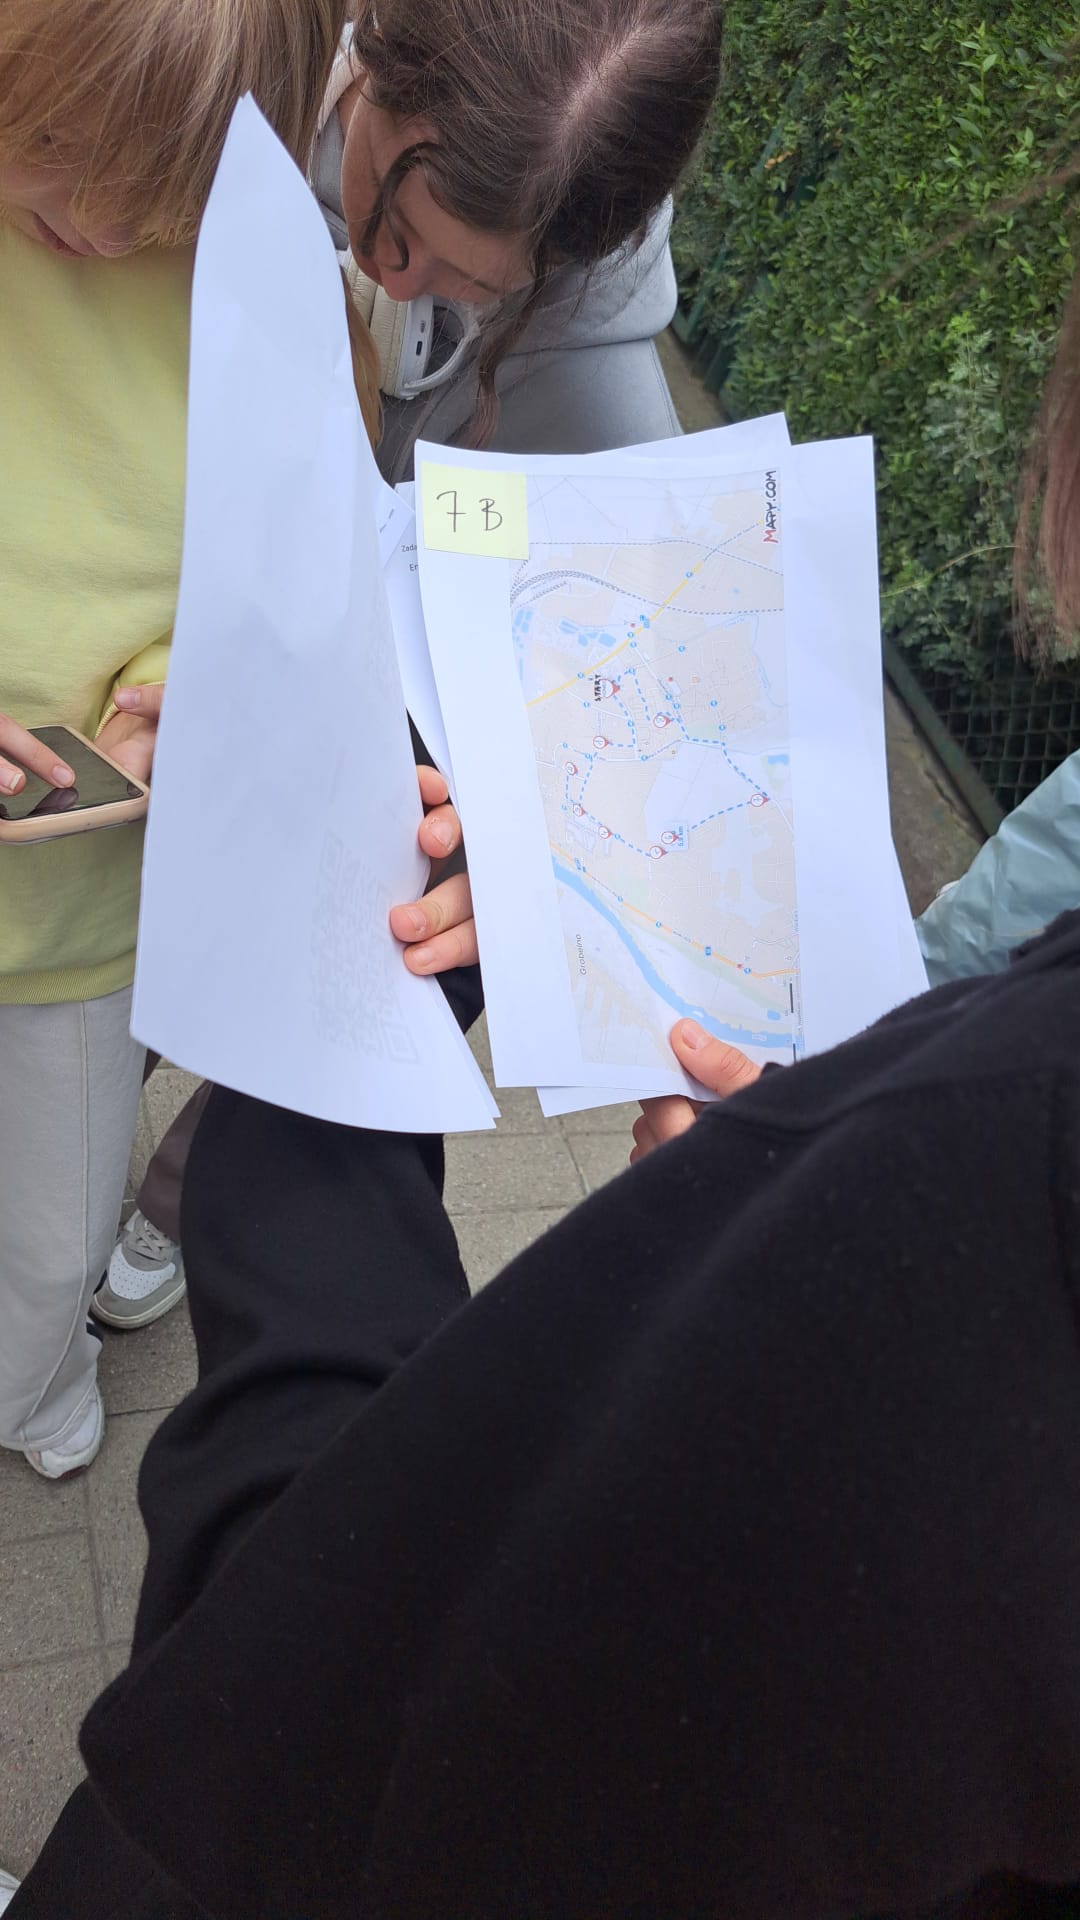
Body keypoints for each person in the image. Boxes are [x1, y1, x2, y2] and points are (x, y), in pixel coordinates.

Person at [114, 0, 726, 1316]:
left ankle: (173, 1206)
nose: (396, 280)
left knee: (394, 953)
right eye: (391, 227)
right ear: (377, 54)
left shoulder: (600, 354)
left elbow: (656, 685)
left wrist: (544, 850)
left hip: (410, 706)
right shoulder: (222, 60)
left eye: (472, 284)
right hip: (177, 611)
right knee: (131, 946)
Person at [0, 0, 375, 1477]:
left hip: (88, 918)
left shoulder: (258, 277)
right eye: (49, 139)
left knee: (54, 1230)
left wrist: (195, 688)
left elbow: (288, 562)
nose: (96, 222)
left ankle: (34, 1385)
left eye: (152, 187)